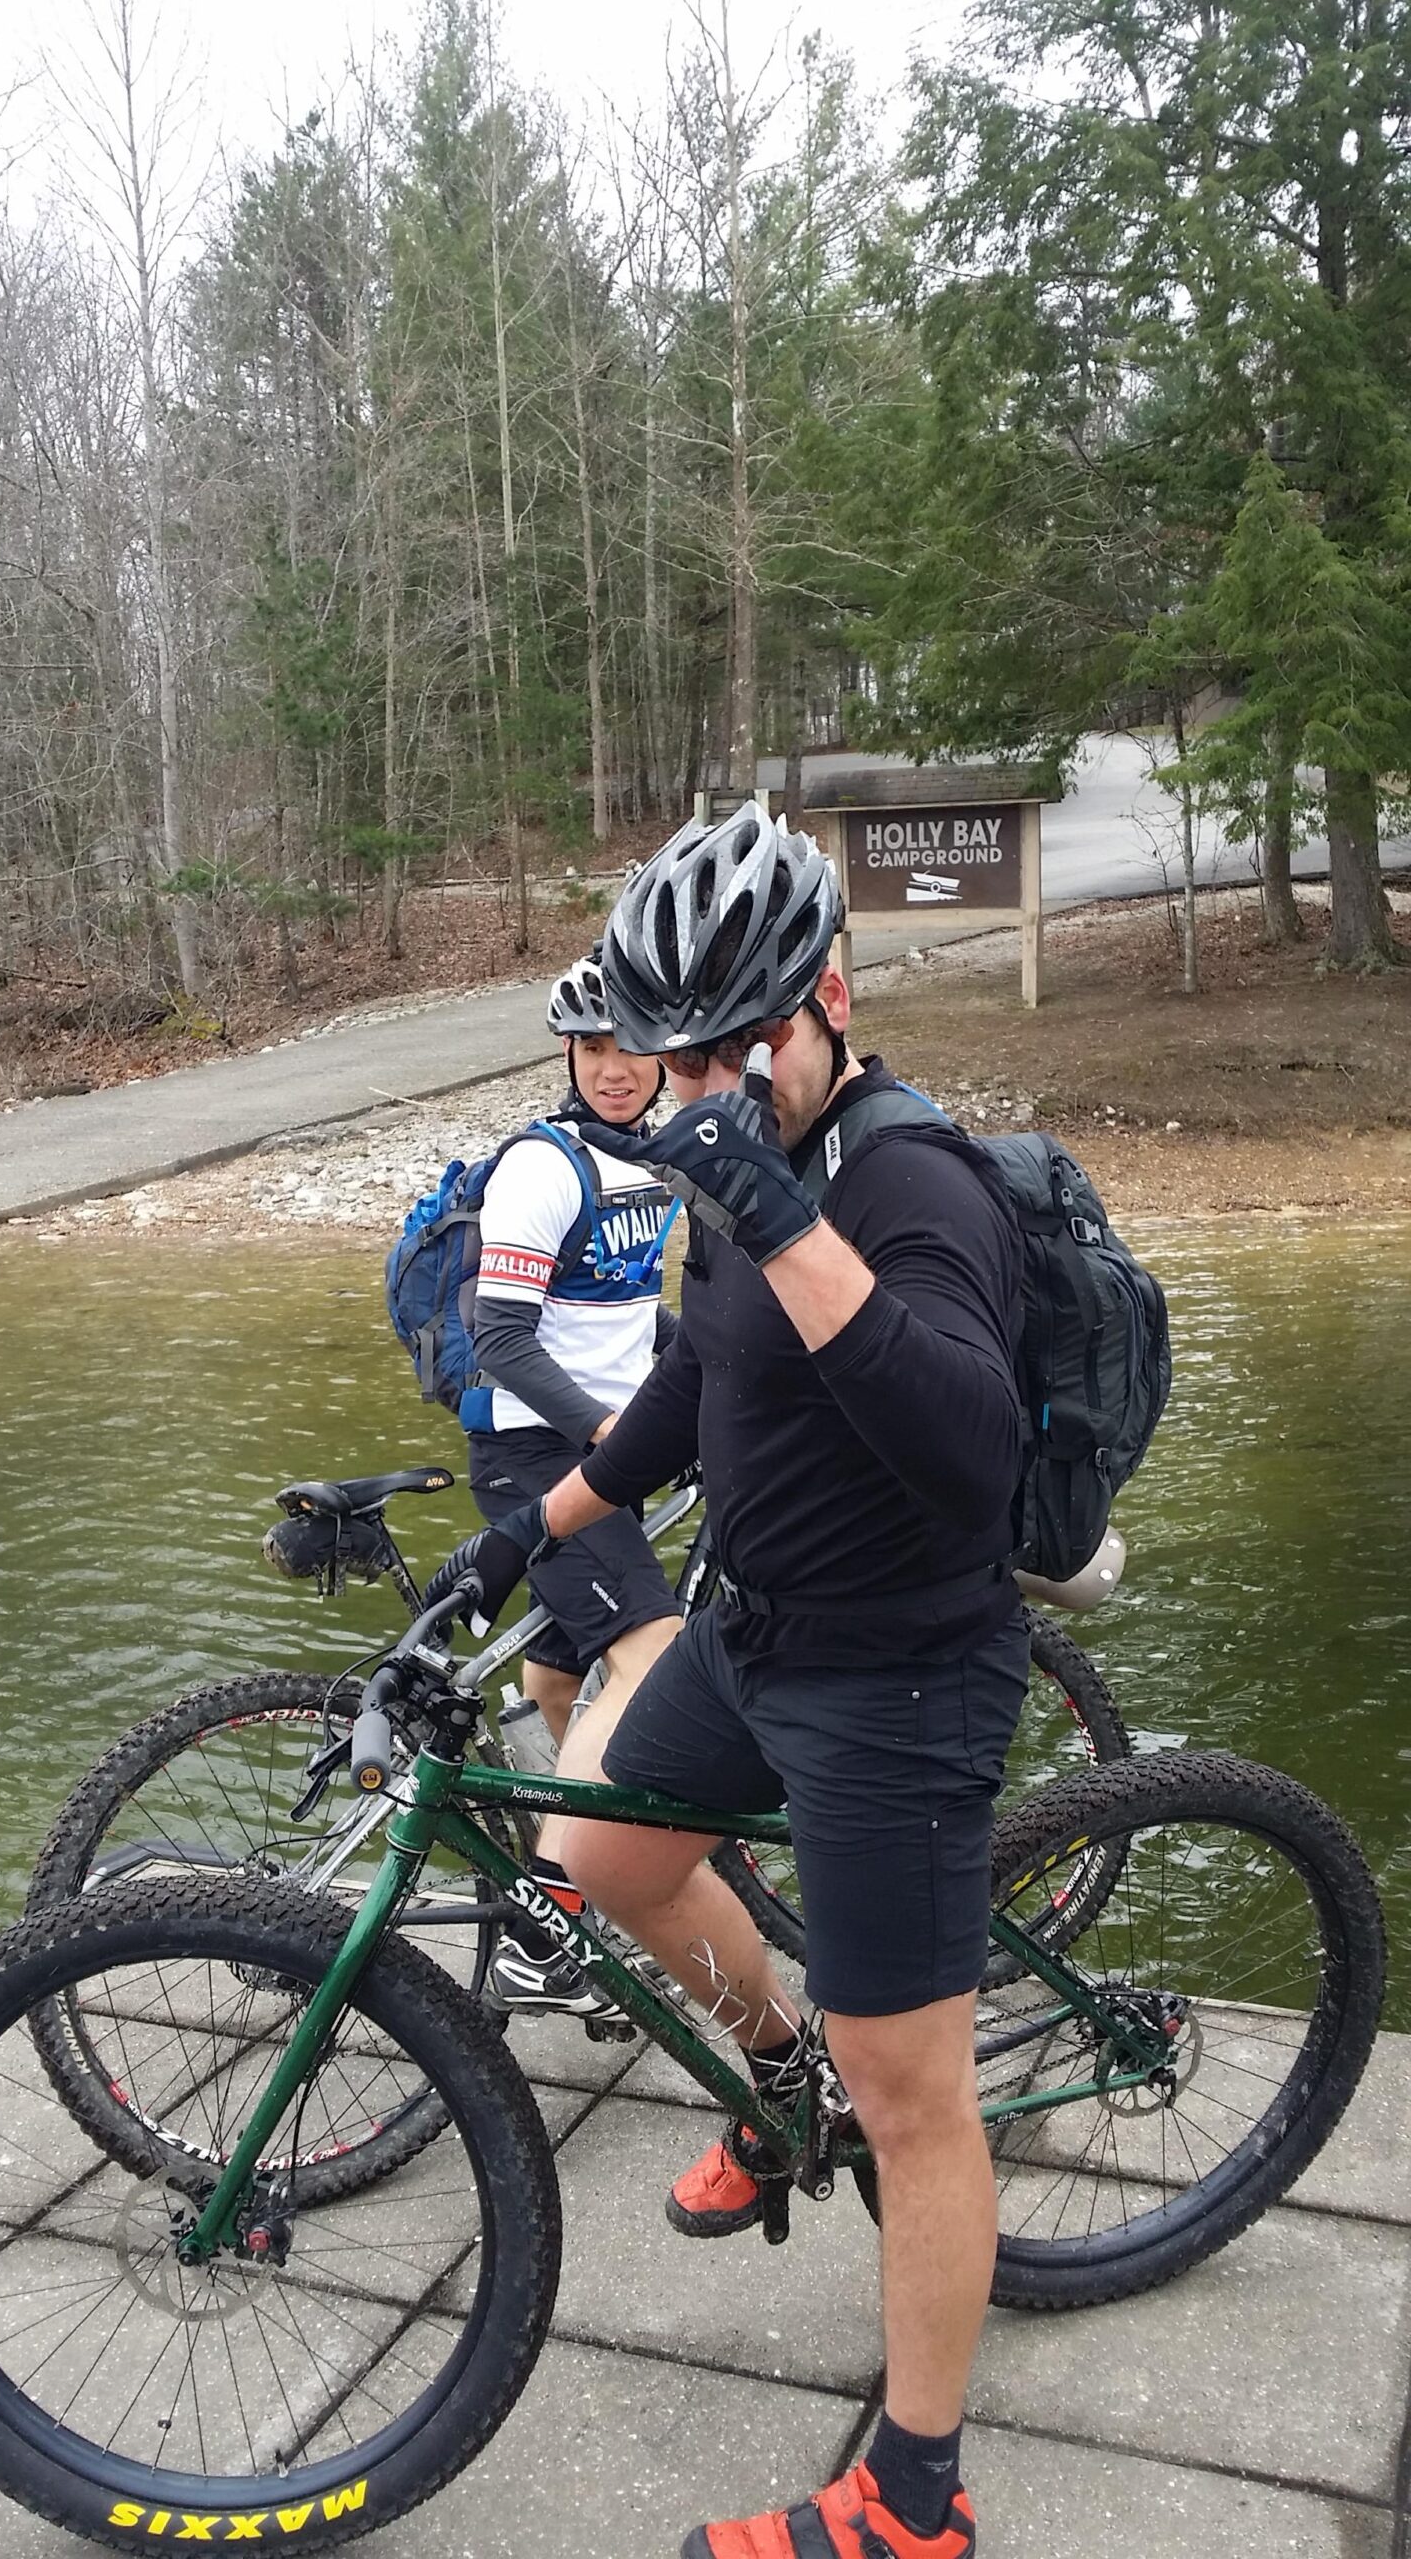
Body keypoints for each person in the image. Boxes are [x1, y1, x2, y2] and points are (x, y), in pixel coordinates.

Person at [430, 804, 1027, 2558]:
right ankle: (782, 2100)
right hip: (749, 1632)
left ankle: (915, 2495)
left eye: (733, 1045)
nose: (696, 1081)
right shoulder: (733, 1153)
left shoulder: (917, 1181)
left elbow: (973, 1455)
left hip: (897, 1682)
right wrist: (530, 1532)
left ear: (826, 996)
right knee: (599, 1861)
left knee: (914, 2094)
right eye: (674, 1050)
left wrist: (778, 1212)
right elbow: (699, 1382)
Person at [467, 951, 683, 2017]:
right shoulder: (545, 1168)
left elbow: (637, 1320)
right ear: (567, 1051)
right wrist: (611, 1432)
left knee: (559, 1687)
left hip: (609, 1449)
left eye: (632, 1047)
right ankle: (546, 1933)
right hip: (538, 1456)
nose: (614, 1067)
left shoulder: (646, 1162)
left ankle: (564, 1871)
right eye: (595, 1047)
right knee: (660, 1658)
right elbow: (498, 1337)